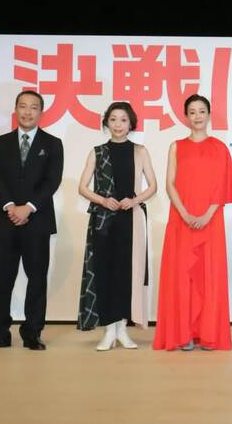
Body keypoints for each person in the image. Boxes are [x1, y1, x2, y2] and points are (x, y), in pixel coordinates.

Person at [0, 90, 63, 351]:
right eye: (23, 106)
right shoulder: (0, 143)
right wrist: (10, 206)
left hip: (38, 221)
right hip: (6, 220)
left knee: (37, 279)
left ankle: (32, 333)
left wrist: (29, 208)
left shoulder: (52, 143)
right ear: (16, 109)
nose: (27, 112)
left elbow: (52, 181)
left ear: (41, 112)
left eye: (33, 107)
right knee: (0, 279)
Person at [153, 94, 232, 351]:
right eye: (192, 112)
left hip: (210, 221)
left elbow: (223, 186)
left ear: (209, 115)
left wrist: (206, 216)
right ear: (186, 117)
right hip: (182, 220)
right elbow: (170, 183)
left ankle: (209, 333)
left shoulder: (220, 148)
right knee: (183, 278)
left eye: (202, 111)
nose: (197, 116)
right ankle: (185, 334)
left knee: (208, 276)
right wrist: (184, 213)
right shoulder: (176, 146)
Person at [77, 102, 157, 351]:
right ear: (106, 123)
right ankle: (108, 331)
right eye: (113, 119)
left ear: (130, 123)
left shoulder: (140, 151)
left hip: (131, 219)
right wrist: (103, 200)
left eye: (123, 120)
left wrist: (134, 200)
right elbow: (82, 187)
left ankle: (122, 329)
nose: (118, 124)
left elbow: (153, 186)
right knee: (105, 272)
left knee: (127, 274)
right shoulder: (97, 152)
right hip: (103, 220)